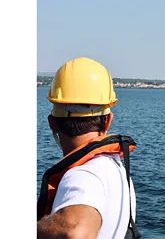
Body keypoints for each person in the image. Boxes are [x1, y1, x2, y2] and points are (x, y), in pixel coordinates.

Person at [37, 57, 140, 239]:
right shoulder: (116, 170)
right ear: (108, 120)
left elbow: (76, 232)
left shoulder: (84, 176)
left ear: (52, 124)